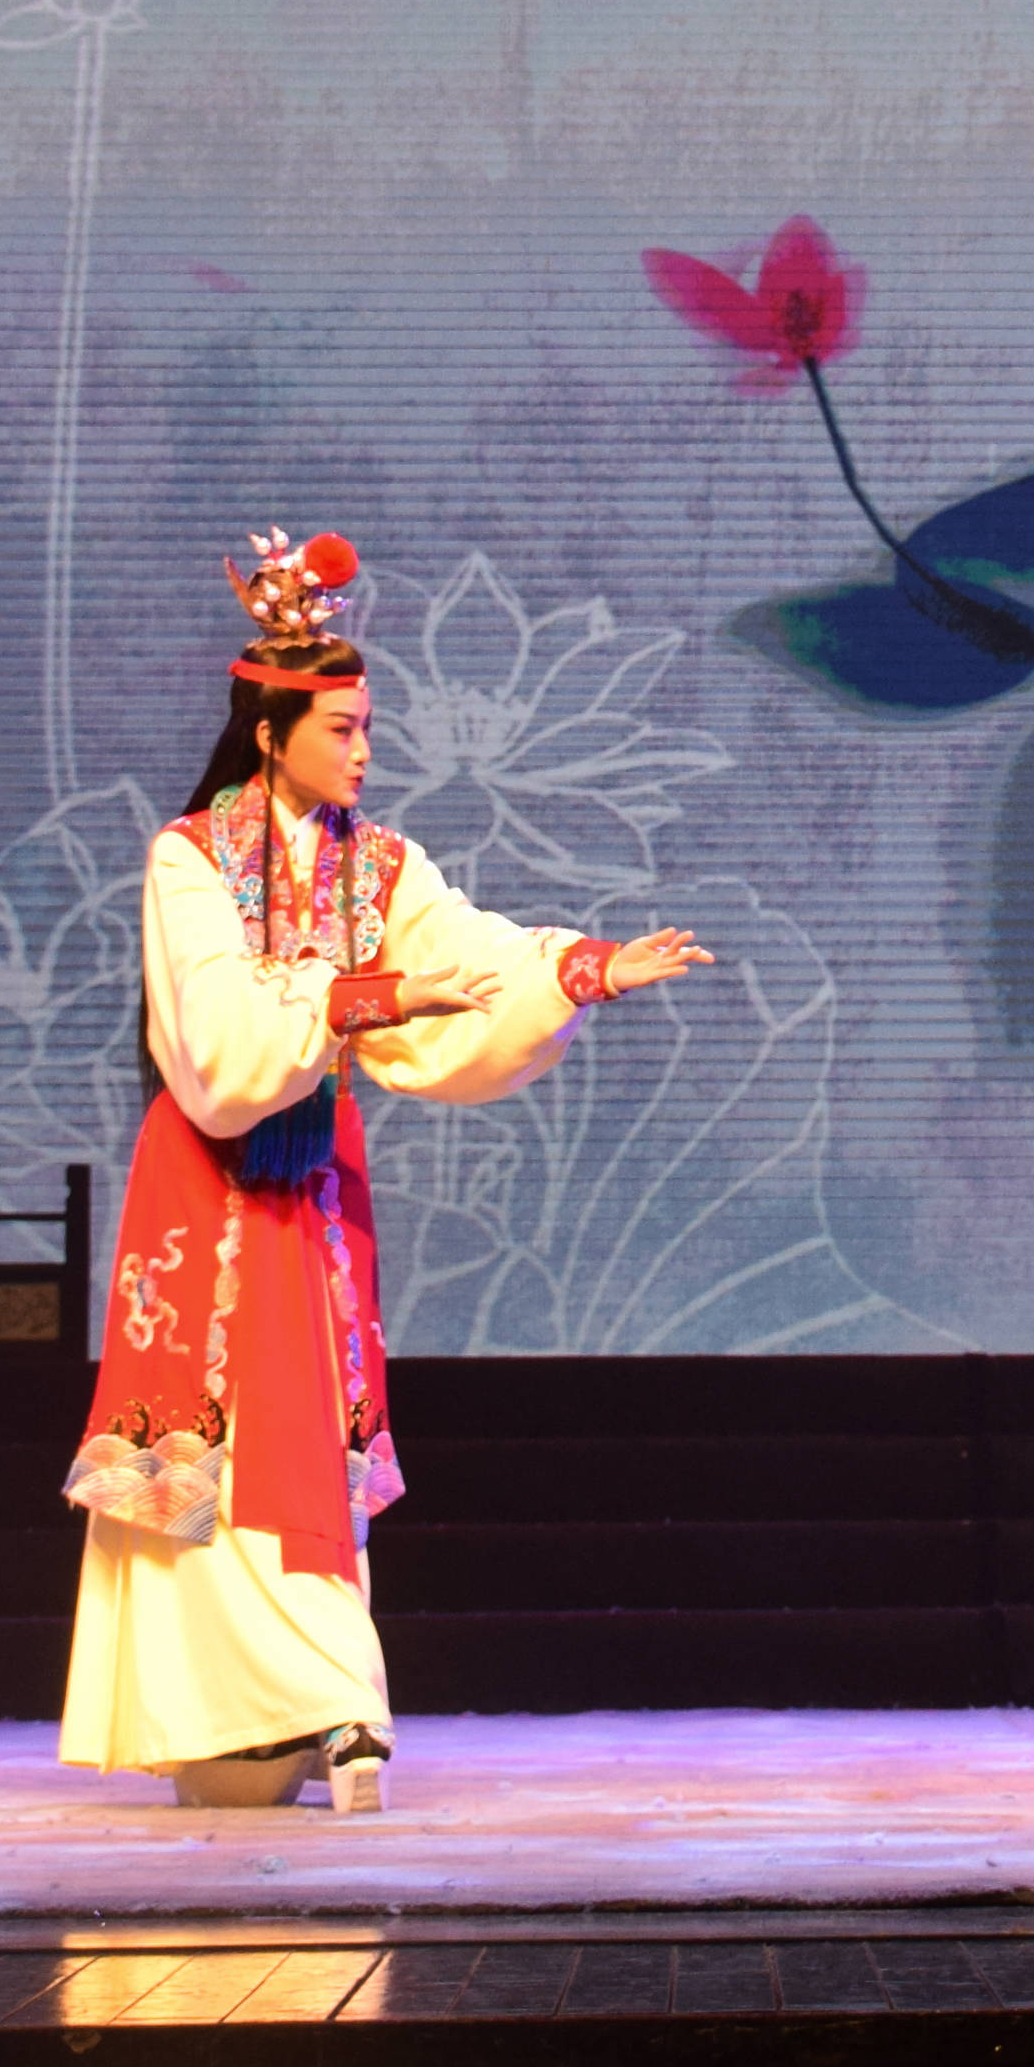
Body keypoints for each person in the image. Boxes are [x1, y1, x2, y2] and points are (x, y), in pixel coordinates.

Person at [60, 527, 713, 1812]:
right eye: (343, 728)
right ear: (270, 732)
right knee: (207, 1448)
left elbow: (471, 952)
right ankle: (250, 1707)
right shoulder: (189, 857)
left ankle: (327, 1698)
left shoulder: (378, 863)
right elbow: (218, 1041)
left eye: (367, 727)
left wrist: (580, 967)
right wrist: (366, 996)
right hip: (206, 1184)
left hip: (308, 1187)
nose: (364, 750)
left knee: (302, 1436)